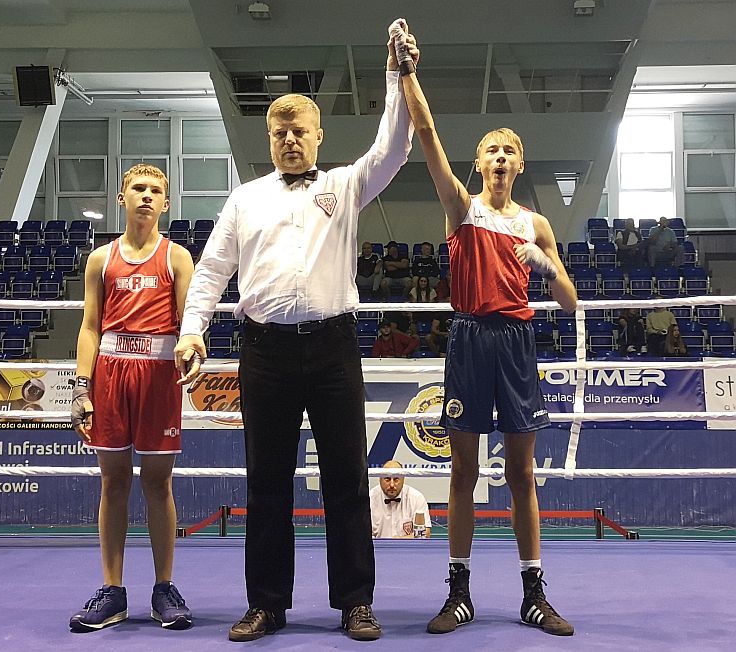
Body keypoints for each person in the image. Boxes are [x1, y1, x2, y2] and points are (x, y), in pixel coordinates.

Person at [174, 21, 418, 643]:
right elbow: (210, 271)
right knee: (268, 482)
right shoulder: (244, 198)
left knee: (346, 477)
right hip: (264, 350)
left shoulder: (345, 184)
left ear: (318, 137)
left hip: (334, 345)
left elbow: (393, 147)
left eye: (299, 131)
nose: (288, 140)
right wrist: (192, 330)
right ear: (269, 138)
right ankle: (266, 603)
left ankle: (356, 601)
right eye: (279, 132)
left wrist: (395, 75)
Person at [394, 22, 578, 637]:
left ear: (520, 164)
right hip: (470, 337)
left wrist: (548, 267)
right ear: (478, 163)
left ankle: (532, 592)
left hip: (517, 343)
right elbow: (425, 132)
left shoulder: (537, 224)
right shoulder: (461, 207)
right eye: (491, 151)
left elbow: (571, 304)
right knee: (464, 472)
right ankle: (459, 592)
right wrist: (406, 70)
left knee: (523, 473)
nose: (500, 159)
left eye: (509, 152)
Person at [68, 164, 195, 633]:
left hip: (159, 375)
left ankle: (164, 588)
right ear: (122, 197)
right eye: (138, 188)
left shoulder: (177, 258)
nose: (146, 195)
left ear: (166, 203)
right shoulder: (101, 260)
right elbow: (89, 326)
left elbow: (189, 321)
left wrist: (193, 350)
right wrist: (81, 387)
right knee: (113, 481)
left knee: (158, 482)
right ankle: (113, 590)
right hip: (110, 372)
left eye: (155, 190)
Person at [369, 460, 431, 539]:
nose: (392, 485)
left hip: (409, 548)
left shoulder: (416, 498)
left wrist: (398, 540)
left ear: (403, 479)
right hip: (376, 549)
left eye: (396, 479)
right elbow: (361, 534)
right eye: (387, 479)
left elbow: (425, 533)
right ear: (380, 479)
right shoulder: (369, 499)